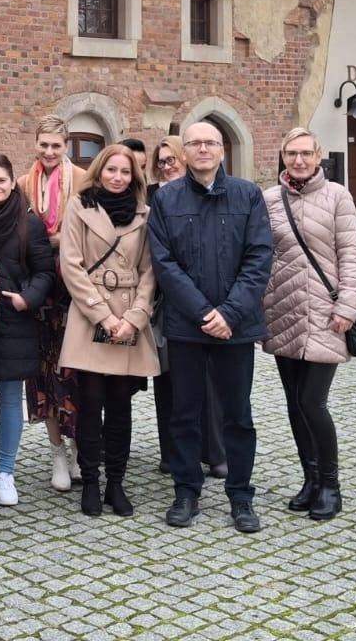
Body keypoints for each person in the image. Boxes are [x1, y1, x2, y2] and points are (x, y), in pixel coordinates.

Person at [147, 120, 273, 534]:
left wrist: (230, 314)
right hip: (187, 326)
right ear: (185, 152)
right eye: (195, 144)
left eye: (211, 143)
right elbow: (164, 264)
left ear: (222, 150)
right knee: (185, 413)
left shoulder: (247, 195)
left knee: (237, 414)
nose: (203, 149)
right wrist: (204, 313)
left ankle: (240, 494)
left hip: (235, 328)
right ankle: (186, 490)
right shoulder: (166, 199)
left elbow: (258, 258)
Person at [262, 127, 356, 522]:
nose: (299, 160)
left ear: (318, 156)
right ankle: (309, 478)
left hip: (326, 313)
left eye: (306, 153)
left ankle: (330, 485)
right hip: (283, 311)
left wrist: (348, 306)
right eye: (292, 154)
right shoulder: (270, 199)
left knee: (312, 402)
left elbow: (350, 255)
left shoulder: (338, 196)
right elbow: (261, 256)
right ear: (283, 157)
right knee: (293, 403)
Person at [58, 144, 159, 517]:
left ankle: (116, 482)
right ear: (99, 171)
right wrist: (103, 316)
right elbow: (71, 265)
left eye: (125, 171)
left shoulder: (145, 213)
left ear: (134, 176)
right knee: (90, 403)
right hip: (91, 317)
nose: (117, 177)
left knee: (120, 406)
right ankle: (91, 480)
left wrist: (134, 317)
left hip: (129, 316)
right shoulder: (79, 207)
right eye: (111, 170)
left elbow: (151, 270)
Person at [0, 154, 55, 508]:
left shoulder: (28, 223)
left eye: (1, 180)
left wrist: (26, 299)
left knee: (9, 399)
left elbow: (45, 271)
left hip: (14, 320)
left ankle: (5, 472)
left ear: (12, 181)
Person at [150, 136, 227, 485]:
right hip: (164, 304)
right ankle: (173, 453)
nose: (167, 165)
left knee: (210, 382)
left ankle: (215, 452)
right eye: (161, 161)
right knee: (168, 381)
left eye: (172, 159)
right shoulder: (156, 198)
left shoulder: (213, 195)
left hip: (207, 304)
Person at [18, 114, 89, 492]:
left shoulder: (82, 180)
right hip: (39, 290)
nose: (48, 152)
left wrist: (59, 241)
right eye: (43, 144)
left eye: (56, 146)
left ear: (65, 145)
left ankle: (79, 445)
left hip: (74, 291)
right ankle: (57, 451)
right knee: (44, 375)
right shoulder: (22, 184)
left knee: (75, 372)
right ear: (35, 143)